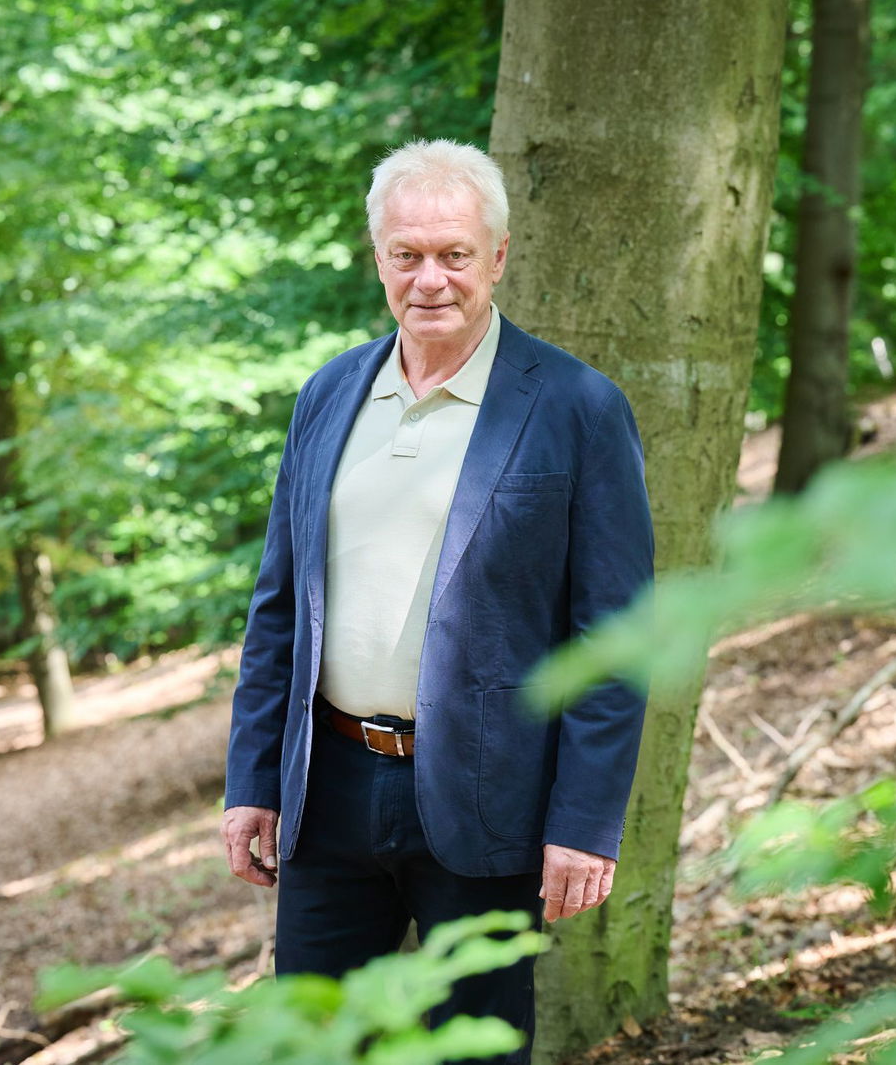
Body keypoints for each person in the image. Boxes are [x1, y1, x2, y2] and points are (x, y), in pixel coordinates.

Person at [220, 139, 653, 1062]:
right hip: (327, 789)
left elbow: (613, 637)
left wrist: (584, 823)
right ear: (376, 257)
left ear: (497, 257)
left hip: (491, 796)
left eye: (454, 254)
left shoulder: (577, 406)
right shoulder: (329, 394)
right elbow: (280, 606)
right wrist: (254, 780)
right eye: (406, 254)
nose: (430, 279)